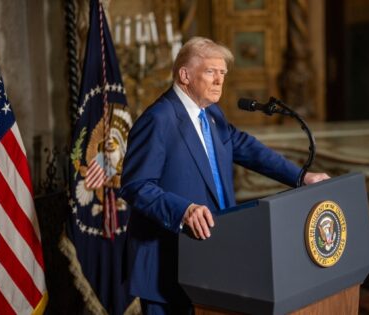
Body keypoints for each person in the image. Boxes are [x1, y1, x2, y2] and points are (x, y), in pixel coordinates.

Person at [120, 36, 330, 315]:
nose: (219, 80)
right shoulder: (159, 119)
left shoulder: (212, 115)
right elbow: (136, 186)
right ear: (184, 75)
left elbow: (248, 148)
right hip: (169, 261)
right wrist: (184, 211)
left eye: (223, 74)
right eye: (210, 72)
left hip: (212, 255)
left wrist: (301, 177)